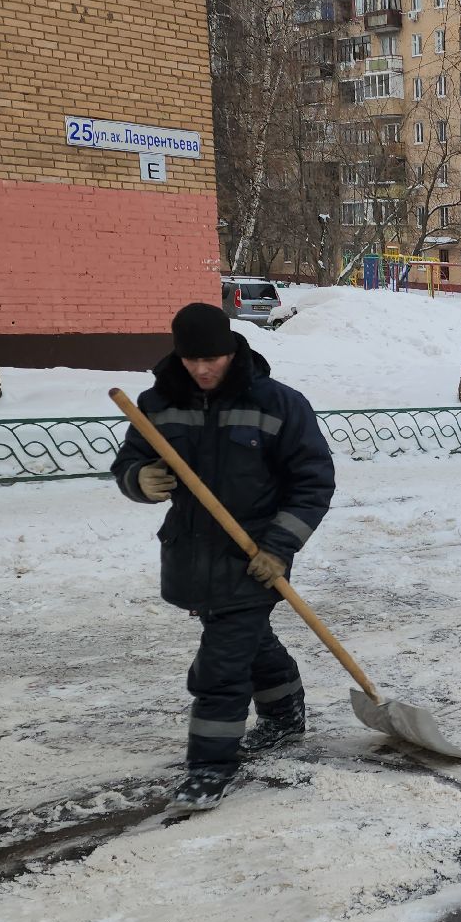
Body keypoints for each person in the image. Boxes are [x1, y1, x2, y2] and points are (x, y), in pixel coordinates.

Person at [111, 303, 336, 810]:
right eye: (192, 359)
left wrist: (279, 549)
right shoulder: (158, 402)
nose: (202, 369)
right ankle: (284, 713)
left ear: (233, 349)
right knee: (246, 639)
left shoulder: (278, 403)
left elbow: (313, 482)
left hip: (256, 553)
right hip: (190, 552)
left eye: (212, 357)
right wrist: (138, 481)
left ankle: (210, 767)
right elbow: (130, 460)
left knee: (220, 665)